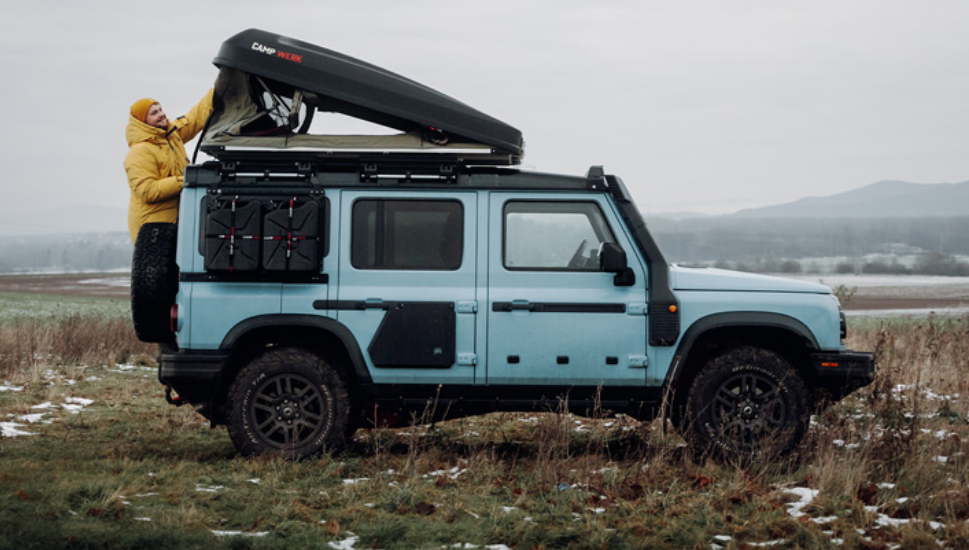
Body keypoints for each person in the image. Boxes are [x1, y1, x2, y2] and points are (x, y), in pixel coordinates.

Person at [124, 89, 214, 242]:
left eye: (160, 109)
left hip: (174, 224)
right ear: (142, 122)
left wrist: (218, 88)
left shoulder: (171, 137)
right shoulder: (140, 151)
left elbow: (195, 118)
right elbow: (148, 191)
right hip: (152, 229)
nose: (161, 114)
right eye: (154, 113)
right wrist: (186, 180)